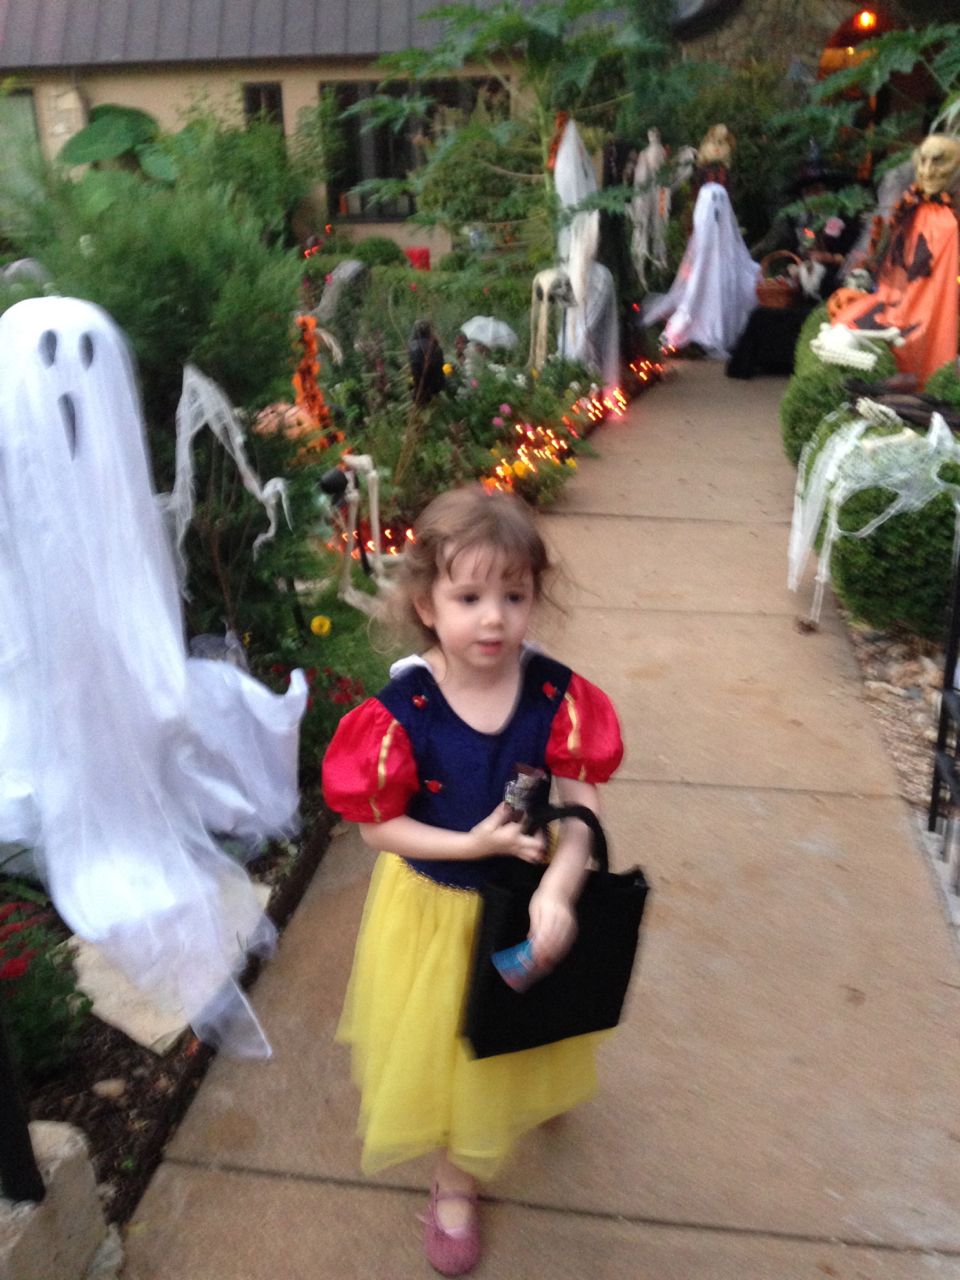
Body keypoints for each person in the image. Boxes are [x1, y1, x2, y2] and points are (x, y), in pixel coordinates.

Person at [321, 486, 624, 1276]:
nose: (494, 619)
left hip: (523, 900)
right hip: (434, 911)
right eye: (469, 598)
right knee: (451, 1047)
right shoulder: (403, 711)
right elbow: (378, 827)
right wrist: (469, 842)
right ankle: (454, 1181)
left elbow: (583, 808)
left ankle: (525, 1089)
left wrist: (559, 888)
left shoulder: (555, 695)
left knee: (524, 1014)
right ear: (426, 604)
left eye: (514, 597)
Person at [408, 318, 447, 405]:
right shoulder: (436, 347)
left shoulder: (411, 347)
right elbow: (441, 369)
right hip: (435, 388)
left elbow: (413, 371)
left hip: (419, 390)